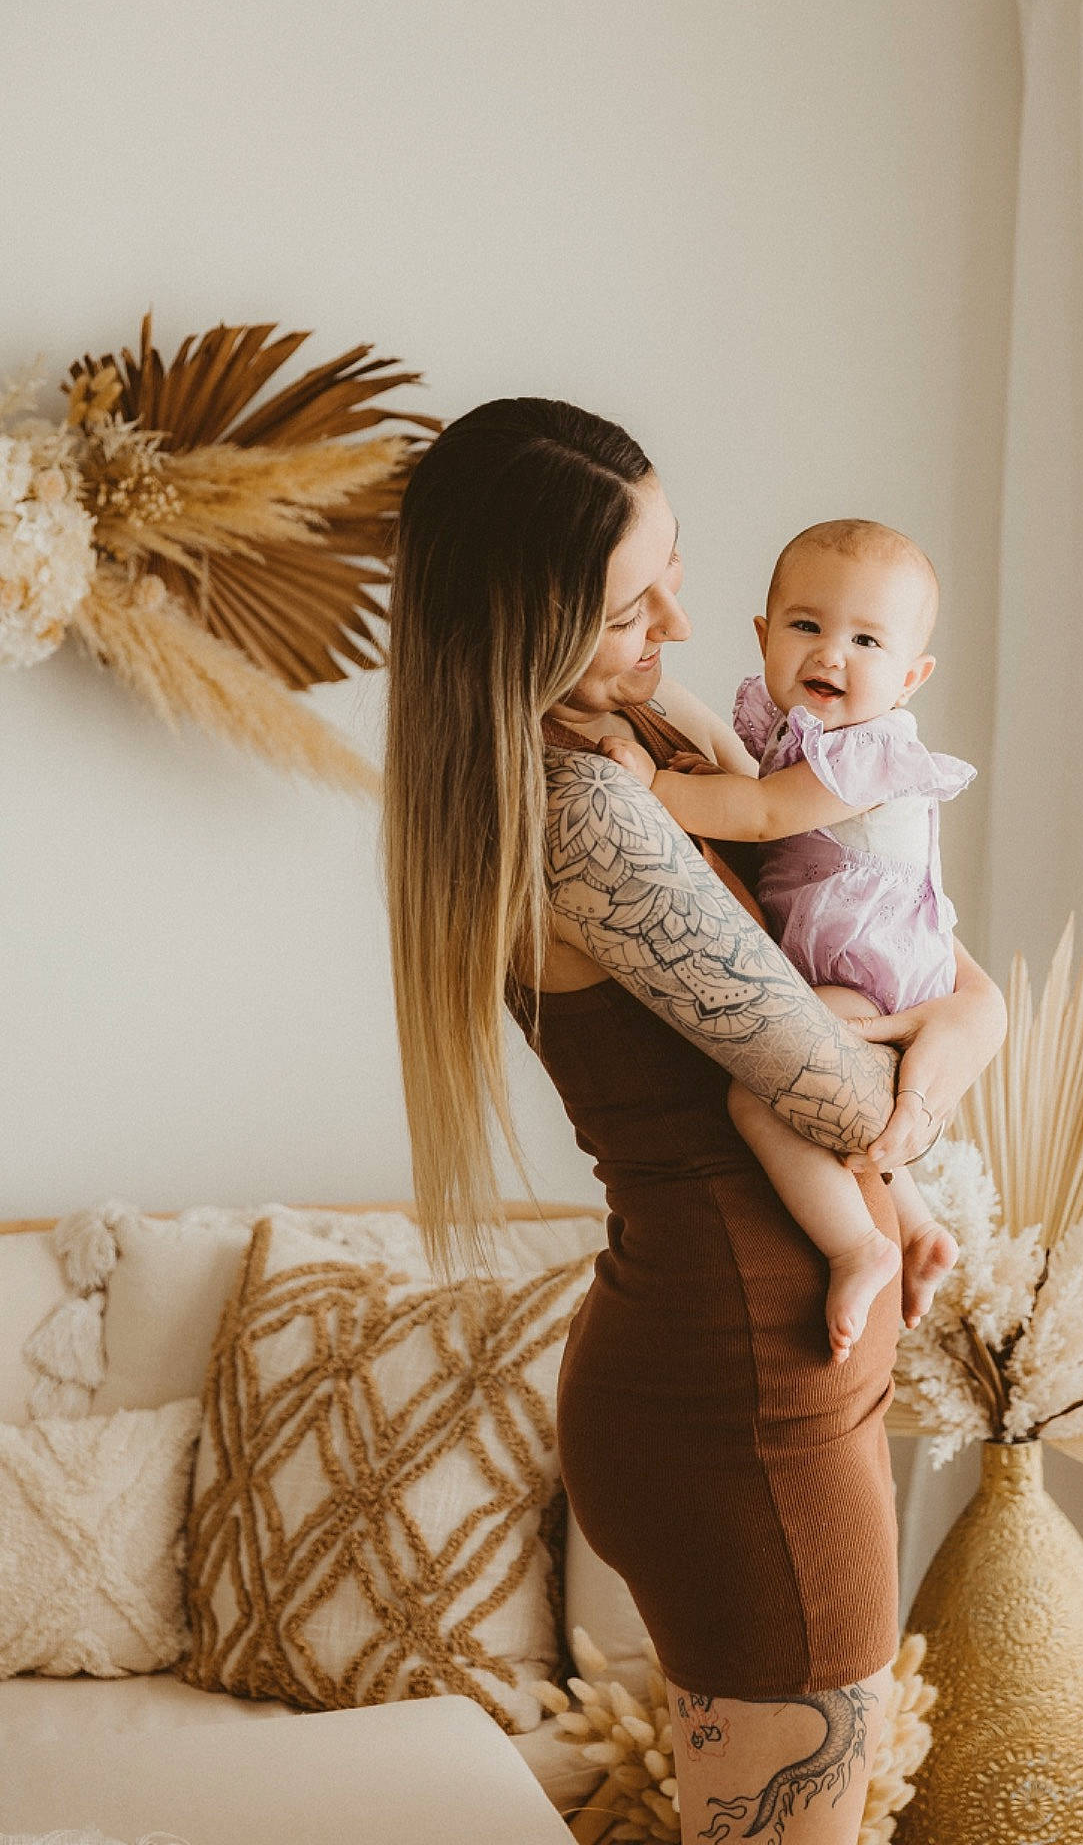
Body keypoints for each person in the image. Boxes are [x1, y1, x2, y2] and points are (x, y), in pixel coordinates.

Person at [382, 399, 1007, 1845]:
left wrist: (970, 1011)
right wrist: (964, 1036)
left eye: (670, 564)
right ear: (528, 630)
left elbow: (886, 932)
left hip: (766, 1379)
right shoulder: (584, 814)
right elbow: (835, 1086)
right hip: (743, 1411)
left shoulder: (645, 736)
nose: (675, 615)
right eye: (624, 609)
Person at [598, 518, 971, 1368]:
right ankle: (915, 1227)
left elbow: (763, 814)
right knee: (850, 1102)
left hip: (868, 966)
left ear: (910, 678)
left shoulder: (872, 751)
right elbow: (756, 796)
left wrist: (653, 786)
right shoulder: (791, 728)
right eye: (806, 625)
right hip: (842, 952)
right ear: (765, 636)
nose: (830, 653)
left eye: (866, 640)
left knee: (759, 1099)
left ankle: (857, 1247)